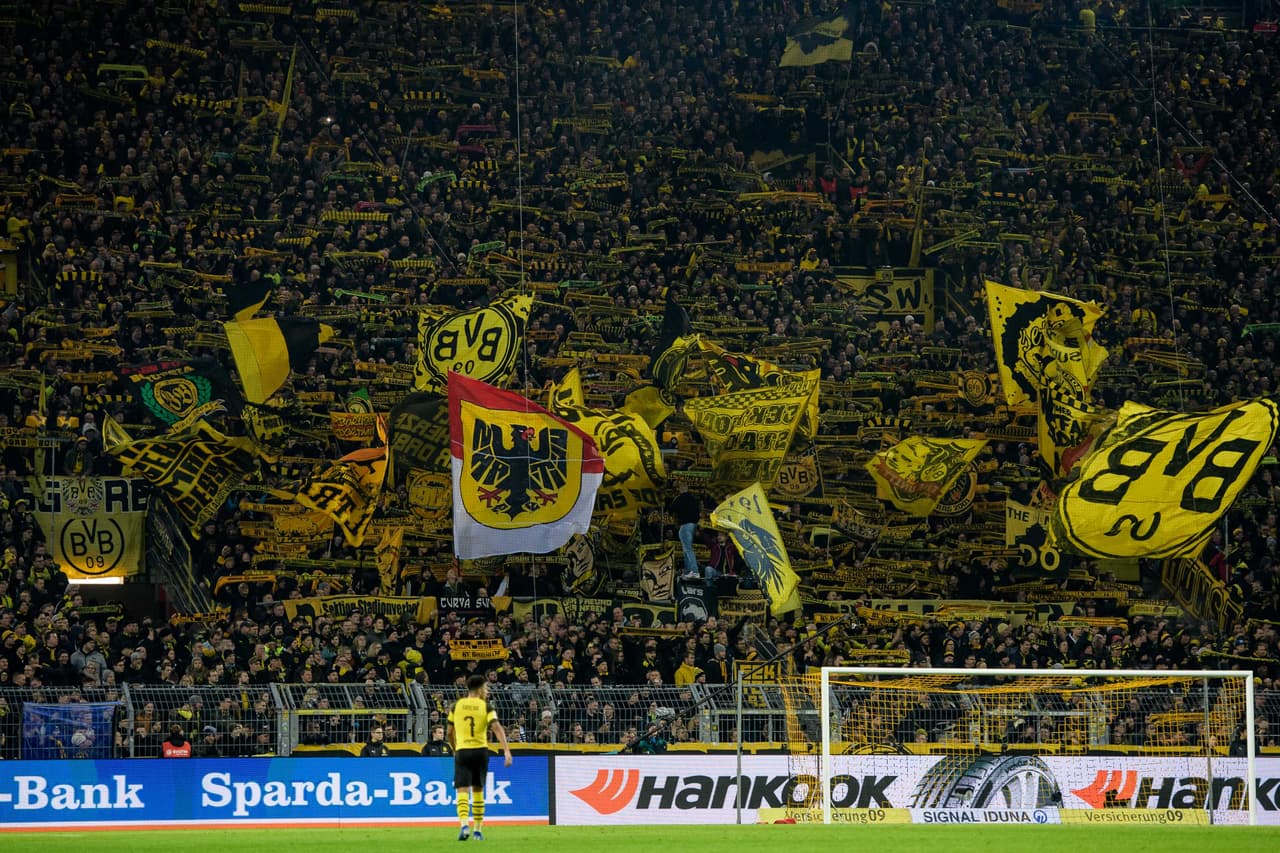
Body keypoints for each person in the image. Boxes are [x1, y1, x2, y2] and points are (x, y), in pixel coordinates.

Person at [446, 674, 513, 841]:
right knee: (477, 789)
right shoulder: (486, 707)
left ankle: (463, 825)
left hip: (462, 751)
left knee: (462, 789)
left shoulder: (457, 706)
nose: (487, 691)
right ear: (480, 689)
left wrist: (455, 748)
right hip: (480, 751)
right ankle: (477, 830)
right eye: (486, 688)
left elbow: (449, 732)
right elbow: (496, 727)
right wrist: (506, 750)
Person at [669, 483, 702, 580]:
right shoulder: (693, 499)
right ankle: (688, 571)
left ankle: (695, 571)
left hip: (685, 525)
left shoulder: (679, 498)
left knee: (687, 548)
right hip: (693, 526)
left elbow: (671, 509)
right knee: (686, 549)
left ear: (680, 488)